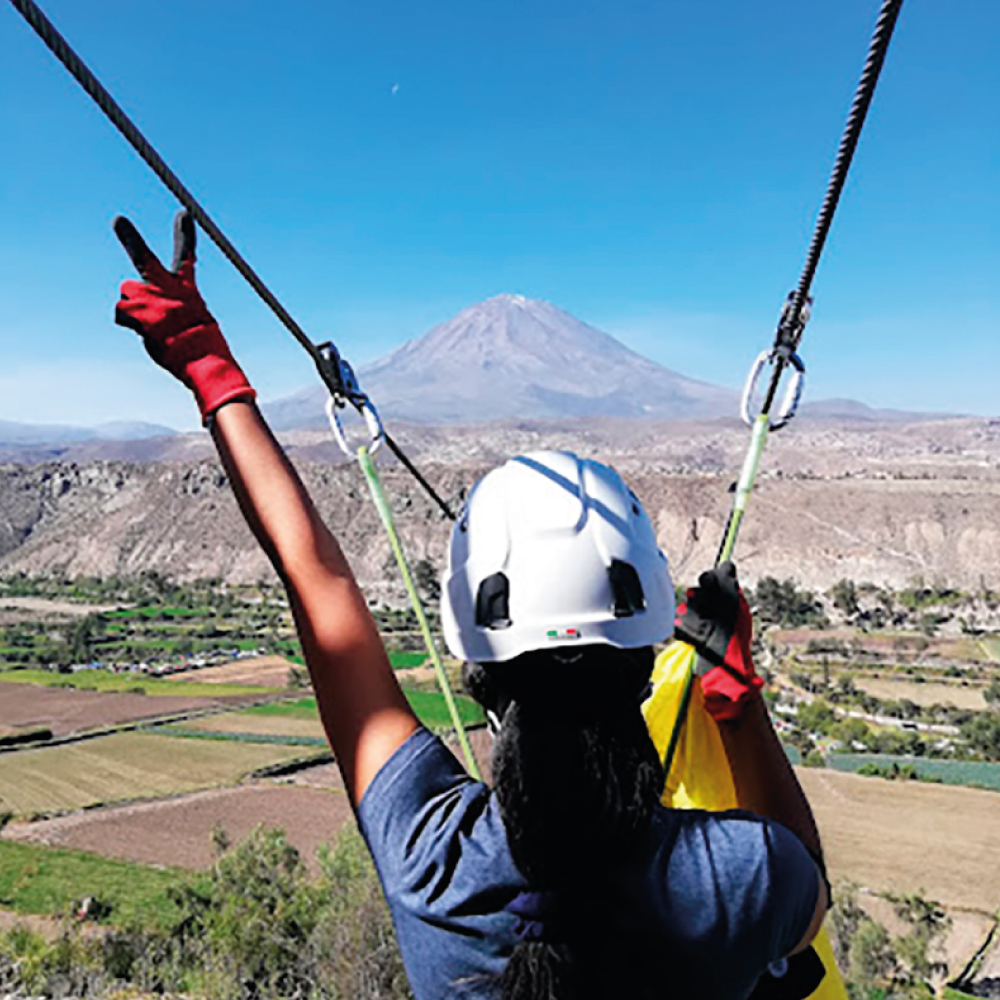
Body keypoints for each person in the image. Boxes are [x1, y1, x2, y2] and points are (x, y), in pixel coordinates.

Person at [111, 212, 829, 1000]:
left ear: (479, 676)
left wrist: (208, 366)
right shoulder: (742, 880)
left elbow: (316, 583)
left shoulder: (432, 864)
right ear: (648, 652)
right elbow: (809, 889)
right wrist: (736, 703)